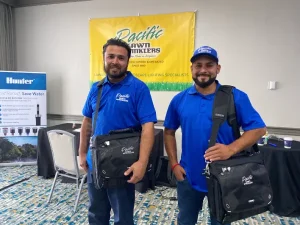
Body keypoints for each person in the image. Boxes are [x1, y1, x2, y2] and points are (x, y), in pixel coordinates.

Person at [163, 46, 266, 225]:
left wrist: (231, 149)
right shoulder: (179, 99)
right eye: (198, 65)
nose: (203, 70)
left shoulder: (235, 97)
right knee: (185, 220)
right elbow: (169, 132)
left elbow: (258, 129)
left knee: (220, 222)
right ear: (192, 69)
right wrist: (173, 164)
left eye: (209, 65)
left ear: (217, 69)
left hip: (225, 178)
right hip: (188, 176)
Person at [79, 38, 157, 225]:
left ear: (127, 61)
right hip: (95, 164)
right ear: (104, 58)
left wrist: (142, 162)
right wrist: (82, 154)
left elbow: (148, 128)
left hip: (122, 166)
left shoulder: (138, 88)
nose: (115, 61)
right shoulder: (96, 88)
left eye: (121, 58)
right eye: (111, 56)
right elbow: (87, 122)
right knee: (96, 214)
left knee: (123, 217)